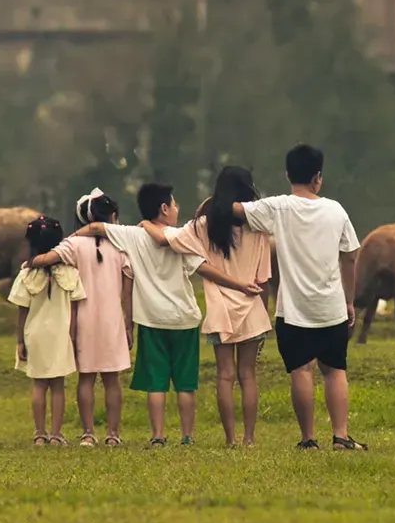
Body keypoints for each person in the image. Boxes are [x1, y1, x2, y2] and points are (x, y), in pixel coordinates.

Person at [50, 184, 262, 447]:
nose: (177, 209)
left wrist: (71, 238)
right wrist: (238, 284)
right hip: (184, 319)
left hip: (151, 320)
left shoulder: (131, 235)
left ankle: (158, 436)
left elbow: (96, 228)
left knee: (156, 384)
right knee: (185, 384)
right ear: (164, 209)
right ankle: (187, 436)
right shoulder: (181, 236)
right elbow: (204, 269)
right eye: (174, 205)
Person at [234, 144, 366, 450]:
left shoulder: (278, 207)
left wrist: (217, 200)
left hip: (294, 311)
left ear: (287, 175)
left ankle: (308, 439)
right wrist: (349, 299)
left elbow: (236, 210)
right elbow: (350, 256)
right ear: (318, 177)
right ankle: (341, 436)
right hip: (331, 307)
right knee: (335, 370)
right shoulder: (336, 210)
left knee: (301, 370)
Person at [163, 166, 272, 446]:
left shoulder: (202, 226)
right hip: (251, 309)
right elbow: (264, 278)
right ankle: (249, 439)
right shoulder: (258, 227)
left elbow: (173, 238)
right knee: (248, 376)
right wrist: (265, 313)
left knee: (225, 377)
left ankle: (230, 439)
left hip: (219, 310)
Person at [46, 189, 133, 446]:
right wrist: (129, 324)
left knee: (86, 377)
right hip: (113, 320)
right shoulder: (121, 245)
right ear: (112, 217)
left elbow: (52, 256)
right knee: (112, 379)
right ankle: (113, 434)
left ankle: (87, 433)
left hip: (81, 319)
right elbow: (128, 291)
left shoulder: (73, 245)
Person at [5, 215, 83, 446]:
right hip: (61, 334)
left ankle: (39, 433)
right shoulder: (71, 273)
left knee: (39, 385)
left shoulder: (26, 274)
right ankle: (57, 435)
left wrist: (20, 341)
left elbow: (22, 311)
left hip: (35, 335)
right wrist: (74, 336)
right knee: (58, 385)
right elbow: (76, 307)